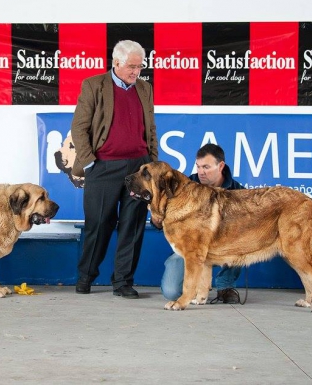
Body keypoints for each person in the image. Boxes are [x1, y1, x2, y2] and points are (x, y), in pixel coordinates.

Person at [71, 40, 158, 299]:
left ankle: (122, 282)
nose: (136, 72)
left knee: (133, 227)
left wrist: (152, 165)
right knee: (99, 225)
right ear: (116, 62)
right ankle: (85, 276)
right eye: (131, 66)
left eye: (139, 67)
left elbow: (150, 129)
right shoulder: (93, 85)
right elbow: (79, 127)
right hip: (103, 167)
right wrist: (90, 163)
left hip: (139, 168)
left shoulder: (145, 88)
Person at [161, 143, 244, 304]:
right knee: (171, 292)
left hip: (223, 247)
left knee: (240, 239)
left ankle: (225, 286)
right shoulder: (186, 184)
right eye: (198, 166)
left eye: (206, 167)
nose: (200, 172)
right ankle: (196, 288)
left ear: (221, 166)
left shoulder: (237, 191)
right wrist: (159, 220)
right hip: (189, 248)